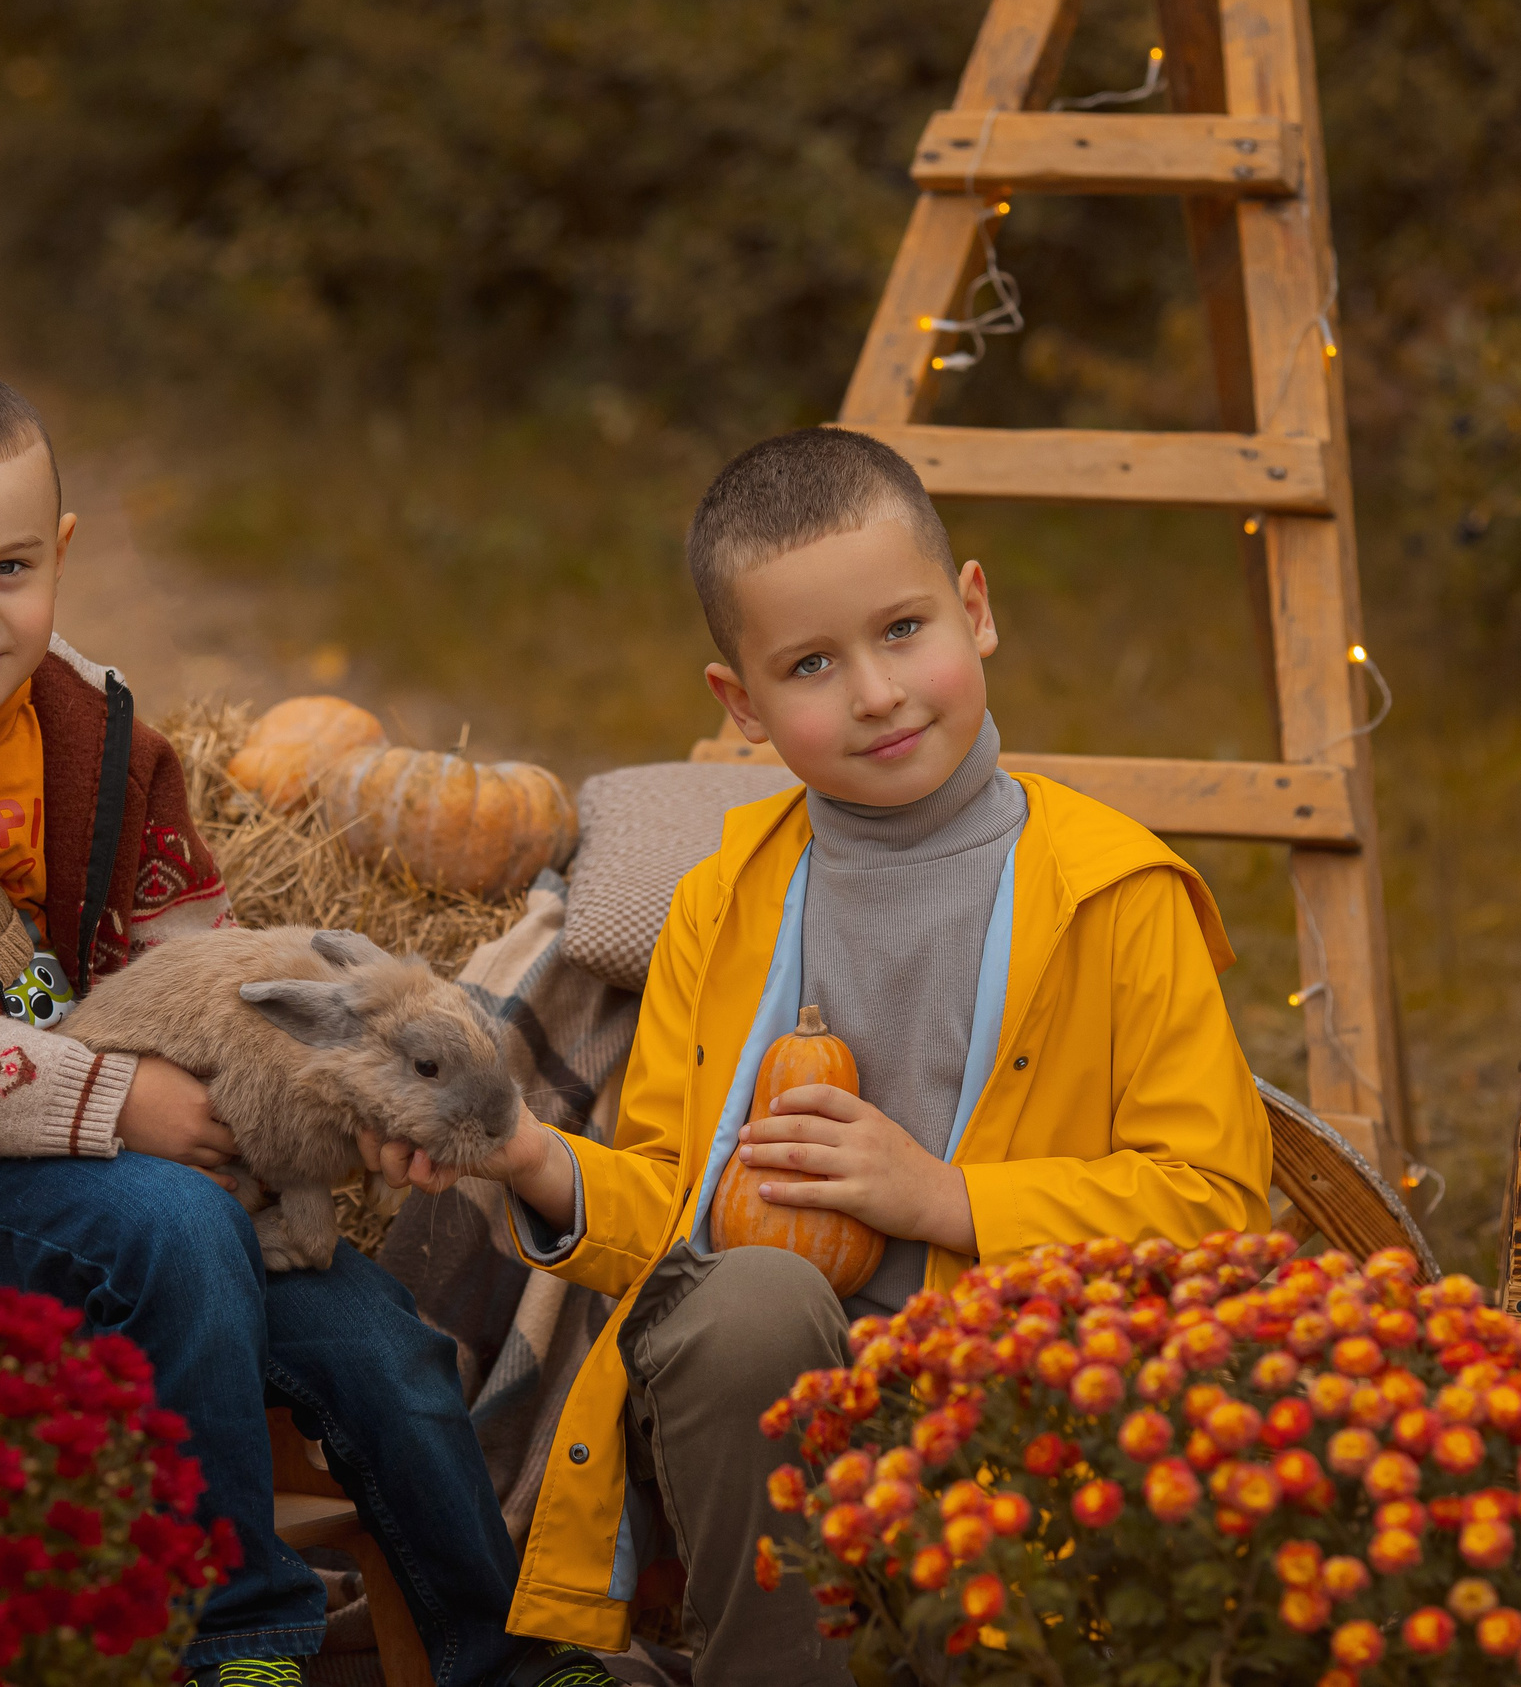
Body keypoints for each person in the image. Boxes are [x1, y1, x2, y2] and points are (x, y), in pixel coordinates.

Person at [0, 355, 611, 1687]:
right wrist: (112, 1104)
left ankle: (498, 1644)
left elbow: (200, 965)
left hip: (135, 1176)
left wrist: (336, 1093)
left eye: (8, 568)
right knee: (177, 1227)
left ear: (57, 552)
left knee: (376, 1338)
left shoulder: (99, 733)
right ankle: (239, 1632)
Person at [372, 426, 1272, 1684]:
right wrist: (526, 1153)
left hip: (1009, 1372)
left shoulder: (1114, 895)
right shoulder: (723, 900)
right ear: (740, 706)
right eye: (810, 663)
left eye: (904, 630)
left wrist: (941, 1198)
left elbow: (1215, 1205)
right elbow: (676, 1213)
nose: (876, 692)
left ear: (975, 611)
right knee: (749, 1299)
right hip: (755, 1392)